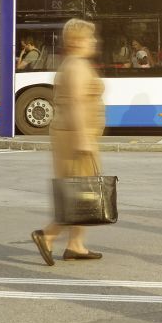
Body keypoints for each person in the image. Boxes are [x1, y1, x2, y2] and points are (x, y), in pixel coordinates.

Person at [32, 18, 105, 265]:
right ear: (76, 41)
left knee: (81, 190)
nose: (94, 41)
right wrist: (84, 139)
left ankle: (75, 245)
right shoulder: (75, 67)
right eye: (89, 37)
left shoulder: (77, 64)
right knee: (79, 193)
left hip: (76, 135)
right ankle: (48, 235)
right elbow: (76, 104)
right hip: (74, 137)